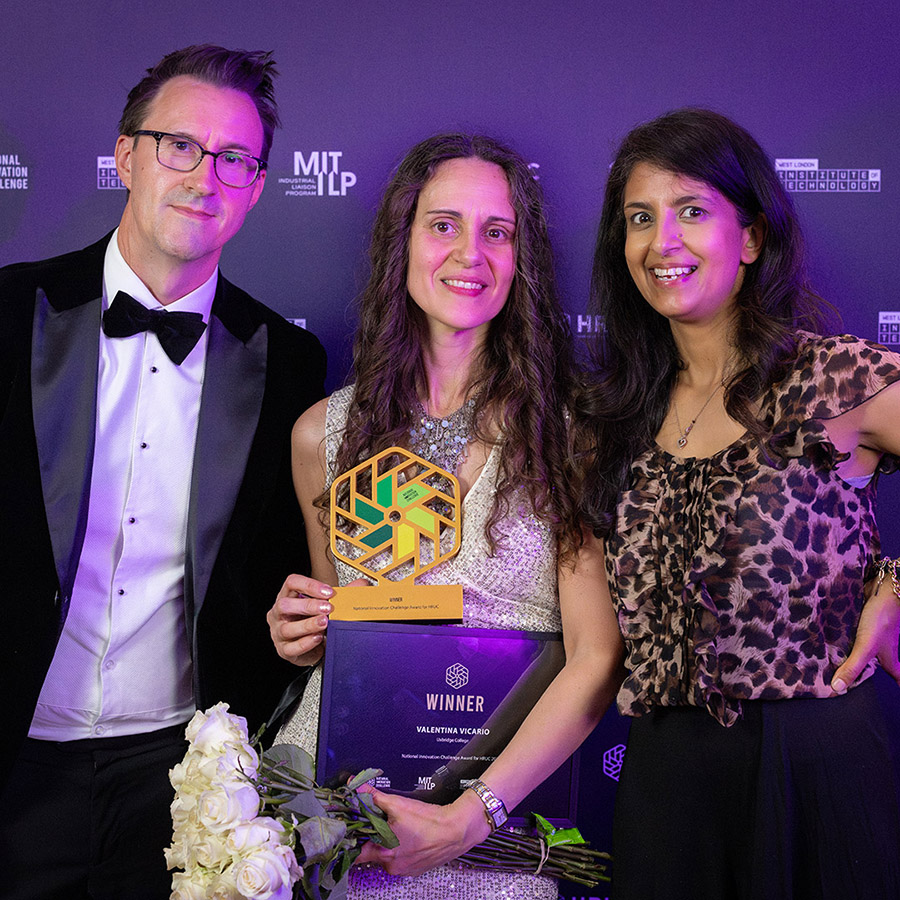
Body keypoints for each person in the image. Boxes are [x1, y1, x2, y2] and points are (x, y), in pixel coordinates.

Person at [0, 45, 326, 899]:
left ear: (256, 187)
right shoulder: (7, 312)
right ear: (127, 156)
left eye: (234, 160)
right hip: (13, 768)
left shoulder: (289, 362)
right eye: (178, 145)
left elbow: (296, 574)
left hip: (183, 782)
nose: (203, 175)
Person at [267, 132, 625, 899]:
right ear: (401, 242)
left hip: (498, 837)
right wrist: (302, 634)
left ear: (521, 260)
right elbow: (345, 634)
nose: (471, 253)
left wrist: (472, 817)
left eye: (497, 232)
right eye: (443, 225)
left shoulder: (572, 435)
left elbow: (597, 657)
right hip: (348, 828)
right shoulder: (319, 436)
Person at [576, 107, 900, 899]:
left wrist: (894, 585)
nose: (664, 243)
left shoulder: (833, 379)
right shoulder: (611, 420)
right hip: (665, 785)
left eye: (692, 211)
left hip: (814, 767)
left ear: (752, 237)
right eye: (640, 219)